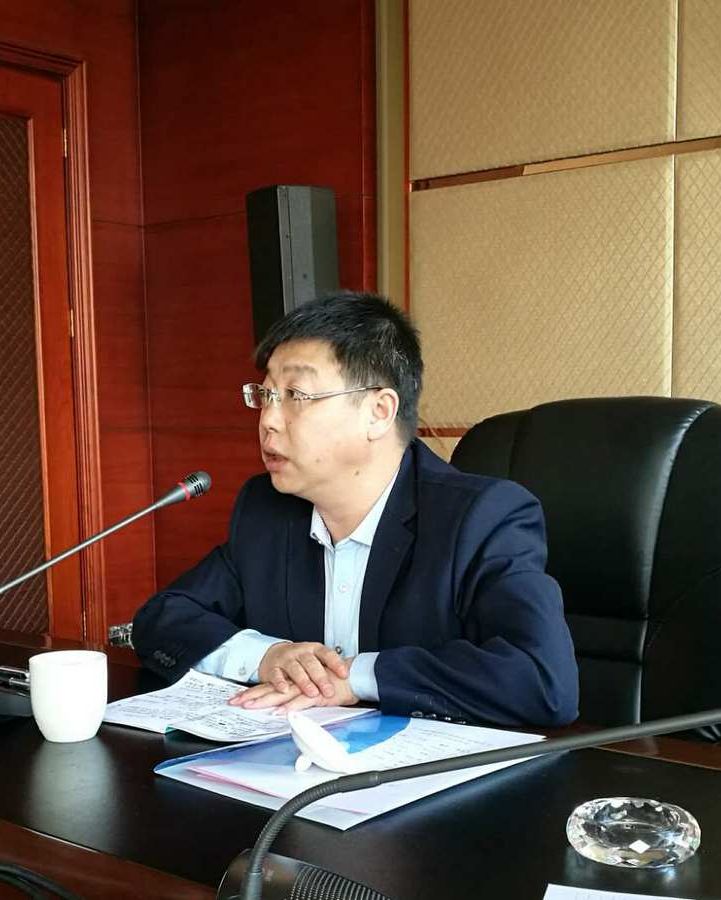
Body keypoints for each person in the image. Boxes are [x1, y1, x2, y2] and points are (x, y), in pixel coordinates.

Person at [131, 292, 578, 726]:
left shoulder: (482, 517)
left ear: (378, 412)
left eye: (296, 395)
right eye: (265, 396)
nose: (268, 420)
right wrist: (267, 656)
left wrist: (357, 678)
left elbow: (542, 679)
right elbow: (162, 618)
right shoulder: (266, 509)